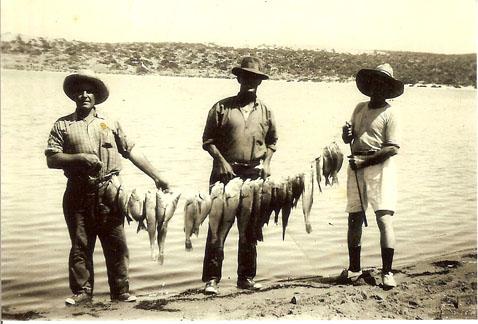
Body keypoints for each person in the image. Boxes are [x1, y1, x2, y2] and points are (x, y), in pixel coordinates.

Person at [45, 71, 170, 306]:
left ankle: (121, 291)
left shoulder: (110, 123)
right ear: (73, 95)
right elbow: (52, 159)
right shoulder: (63, 124)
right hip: (77, 193)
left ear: (96, 96)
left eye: (89, 91)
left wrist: (157, 177)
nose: (84, 95)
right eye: (79, 91)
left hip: (110, 192)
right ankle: (82, 292)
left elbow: (132, 151)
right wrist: (79, 158)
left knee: (116, 244)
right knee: (80, 245)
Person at [201, 56, 278, 295]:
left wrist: (266, 162)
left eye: (255, 78)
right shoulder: (221, 107)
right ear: (239, 78)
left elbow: (273, 142)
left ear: (260, 81)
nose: (251, 82)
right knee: (217, 229)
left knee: (249, 229)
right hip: (225, 175)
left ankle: (246, 278)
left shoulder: (265, 111)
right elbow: (208, 141)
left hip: (253, 176)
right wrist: (221, 162)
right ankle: (212, 279)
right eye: (246, 77)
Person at [341, 63, 404, 288]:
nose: (377, 87)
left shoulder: (391, 113)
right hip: (356, 164)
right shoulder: (359, 108)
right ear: (369, 85)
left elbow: (392, 148)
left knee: (383, 217)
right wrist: (346, 135)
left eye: (382, 84)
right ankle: (354, 270)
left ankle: (387, 272)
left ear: (388, 88)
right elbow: (350, 139)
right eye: (374, 82)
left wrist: (364, 162)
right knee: (354, 217)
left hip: (380, 166)